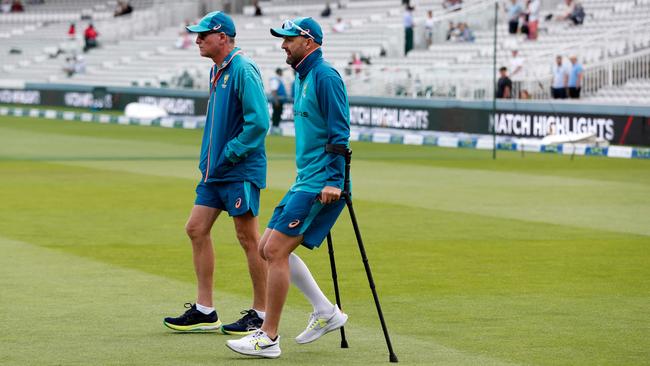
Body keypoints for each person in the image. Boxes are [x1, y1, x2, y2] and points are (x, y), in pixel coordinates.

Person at [227, 16, 350, 359]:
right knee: (267, 248)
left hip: (322, 181)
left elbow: (341, 133)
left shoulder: (325, 77)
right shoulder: (302, 76)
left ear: (308, 42)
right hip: (305, 179)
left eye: (289, 39)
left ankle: (268, 337)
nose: (283, 44)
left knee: (276, 251)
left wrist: (334, 180)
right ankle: (326, 312)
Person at [163, 11, 271, 337]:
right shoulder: (217, 70)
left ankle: (262, 313)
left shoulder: (243, 69)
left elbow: (260, 123)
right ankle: (205, 310)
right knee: (196, 228)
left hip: (239, 169)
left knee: (248, 238)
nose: (197, 39)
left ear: (222, 37)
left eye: (203, 34)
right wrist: (211, 160)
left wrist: (231, 152)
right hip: (215, 171)